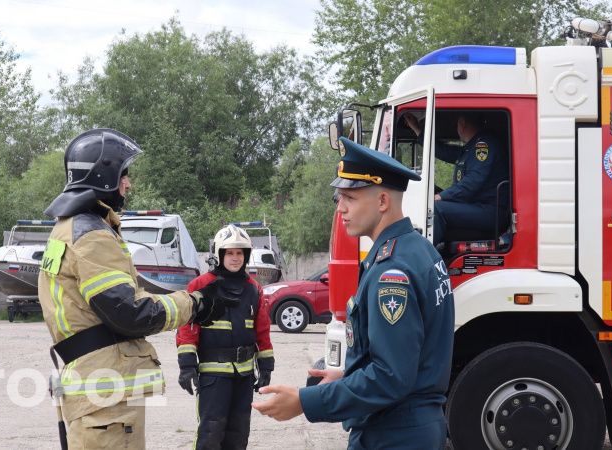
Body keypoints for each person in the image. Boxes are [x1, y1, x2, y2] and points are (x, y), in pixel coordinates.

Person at [252, 137, 455, 450]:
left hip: (394, 433)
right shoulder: (419, 251)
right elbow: (408, 359)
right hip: (406, 425)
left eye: (350, 197)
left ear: (383, 202)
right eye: (339, 197)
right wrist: (347, 375)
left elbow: (390, 377)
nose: (340, 207)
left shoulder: (393, 272)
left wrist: (305, 402)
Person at [37, 128, 235, 450]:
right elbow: (130, 312)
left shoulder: (66, 229)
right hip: (105, 400)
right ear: (104, 176)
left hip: (92, 389)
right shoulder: (92, 235)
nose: (128, 183)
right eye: (124, 174)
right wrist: (196, 304)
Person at [176, 224, 274, 450]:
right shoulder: (200, 285)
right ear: (219, 254)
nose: (235, 257)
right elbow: (187, 328)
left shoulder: (254, 289)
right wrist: (187, 365)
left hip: (244, 376)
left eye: (240, 253)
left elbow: (262, 330)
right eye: (229, 252)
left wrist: (266, 365)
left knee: (238, 434)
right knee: (210, 433)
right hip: (213, 376)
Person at [406, 112, 509, 245]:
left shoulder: (483, 144)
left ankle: (422, 258)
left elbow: (473, 182)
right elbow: (443, 151)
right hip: (478, 207)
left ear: (462, 124)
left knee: (436, 209)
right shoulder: (470, 148)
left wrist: (440, 197)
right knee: (435, 205)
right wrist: (416, 129)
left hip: (489, 211)